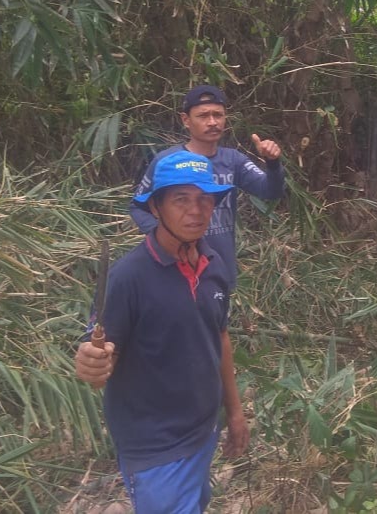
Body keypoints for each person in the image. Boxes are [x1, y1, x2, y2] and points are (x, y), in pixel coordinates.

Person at [75, 151, 250, 512]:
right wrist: (92, 362)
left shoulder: (213, 264)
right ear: (155, 208)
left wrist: (234, 413)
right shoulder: (128, 278)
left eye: (205, 199)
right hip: (156, 447)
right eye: (181, 199)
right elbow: (101, 352)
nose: (196, 210)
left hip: (203, 430)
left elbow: (219, 337)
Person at [129, 84, 284, 288]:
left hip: (220, 269)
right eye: (203, 116)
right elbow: (138, 207)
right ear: (186, 120)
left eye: (218, 115)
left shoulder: (233, 160)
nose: (212, 122)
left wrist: (273, 163)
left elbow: (271, 191)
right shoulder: (168, 162)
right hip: (176, 270)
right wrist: (167, 236)